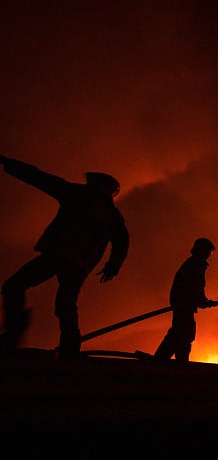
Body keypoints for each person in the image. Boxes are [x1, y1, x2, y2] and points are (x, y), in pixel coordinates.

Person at [0, 154, 129, 360]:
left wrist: (9, 164)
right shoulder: (108, 212)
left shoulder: (77, 195)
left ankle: (16, 333)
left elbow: (39, 178)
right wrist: (114, 264)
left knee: (17, 286)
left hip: (61, 256)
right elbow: (122, 240)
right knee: (64, 303)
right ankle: (68, 347)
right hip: (76, 262)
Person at [154, 237, 218, 362]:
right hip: (183, 305)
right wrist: (202, 302)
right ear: (202, 251)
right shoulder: (194, 266)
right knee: (180, 333)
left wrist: (204, 301)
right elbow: (192, 289)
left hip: (185, 305)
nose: (209, 256)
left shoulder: (195, 265)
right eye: (208, 253)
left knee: (185, 333)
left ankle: (179, 360)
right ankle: (161, 359)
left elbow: (197, 291)